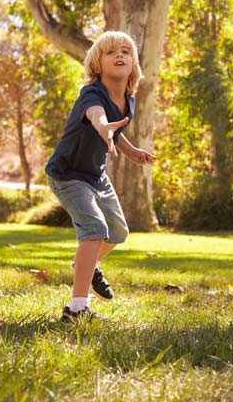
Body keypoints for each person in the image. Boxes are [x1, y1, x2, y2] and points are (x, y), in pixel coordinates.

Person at [45, 31, 156, 322]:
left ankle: (85, 264)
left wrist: (129, 150)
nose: (119, 55)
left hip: (95, 176)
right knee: (94, 229)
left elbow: (114, 129)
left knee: (118, 232)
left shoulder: (128, 99)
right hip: (68, 174)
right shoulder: (92, 94)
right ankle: (76, 309)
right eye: (110, 52)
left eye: (125, 52)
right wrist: (103, 126)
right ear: (97, 63)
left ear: (133, 63)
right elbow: (98, 117)